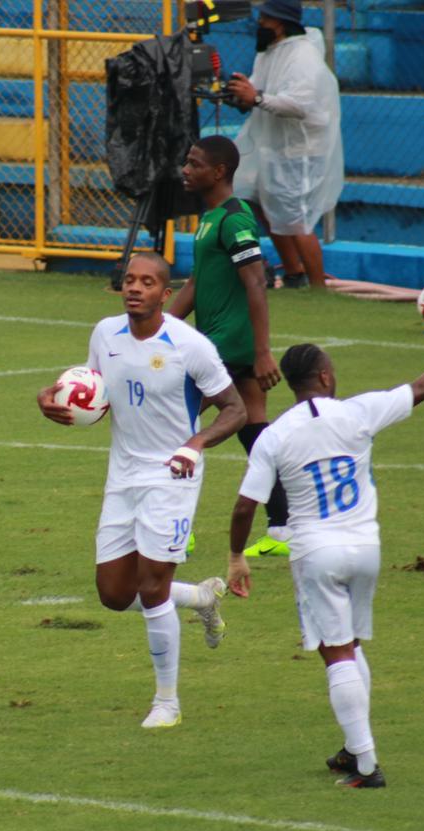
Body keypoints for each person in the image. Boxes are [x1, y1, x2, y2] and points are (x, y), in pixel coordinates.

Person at [226, 321, 424, 787]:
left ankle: (366, 765)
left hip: (317, 552)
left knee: (336, 652)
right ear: (325, 376)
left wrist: (236, 557)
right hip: (366, 548)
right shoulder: (359, 412)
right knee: (351, 646)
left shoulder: (274, 436)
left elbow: (247, 505)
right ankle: (352, 749)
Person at [38, 252, 247, 728]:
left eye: (147, 282)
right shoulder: (104, 334)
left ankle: (167, 702)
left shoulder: (190, 346)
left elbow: (235, 409)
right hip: (123, 475)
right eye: (129, 280)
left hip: (173, 475)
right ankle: (200, 598)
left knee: (153, 587)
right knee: (114, 593)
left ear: (165, 294)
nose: (135, 288)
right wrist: (50, 398)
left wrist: (195, 444)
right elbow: (93, 390)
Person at [168, 135, 292, 558]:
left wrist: (262, 351)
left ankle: (176, 526)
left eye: (194, 163)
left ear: (219, 171)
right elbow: (196, 282)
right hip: (225, 341)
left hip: (227, 343)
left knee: (176, 425)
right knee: (255, 430)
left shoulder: (236, 219)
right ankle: (282, 530)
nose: (186, 169)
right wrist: (161, 326)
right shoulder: (211, 217)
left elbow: (256, 281)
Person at [225, 0, 343, 290]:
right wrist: (241, 95)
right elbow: (259, 89)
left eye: (265, 18)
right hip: (274, 147)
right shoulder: (270, 53)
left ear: (279, 23)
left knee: (298, 220)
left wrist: (256, 98)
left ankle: (318, 288)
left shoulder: (303, 57)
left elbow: (300, 105)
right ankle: (293, 274)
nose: (260, 23)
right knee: (266, 208)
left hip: (301, 151)